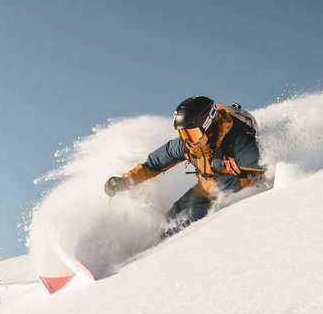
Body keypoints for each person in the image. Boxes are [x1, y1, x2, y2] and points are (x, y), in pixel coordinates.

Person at [104, 96, 264, 236]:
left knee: (186, 219)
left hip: (230, 195)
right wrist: (124, 181)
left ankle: (158, 255)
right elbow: (152, 165)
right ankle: (143, 251)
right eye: (183, 134)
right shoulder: (188, 145)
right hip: (205, 189)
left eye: (192, 134)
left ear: (208, 126)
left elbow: (274, 163)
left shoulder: (241, 148)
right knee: (170, 217)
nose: (188, 140)